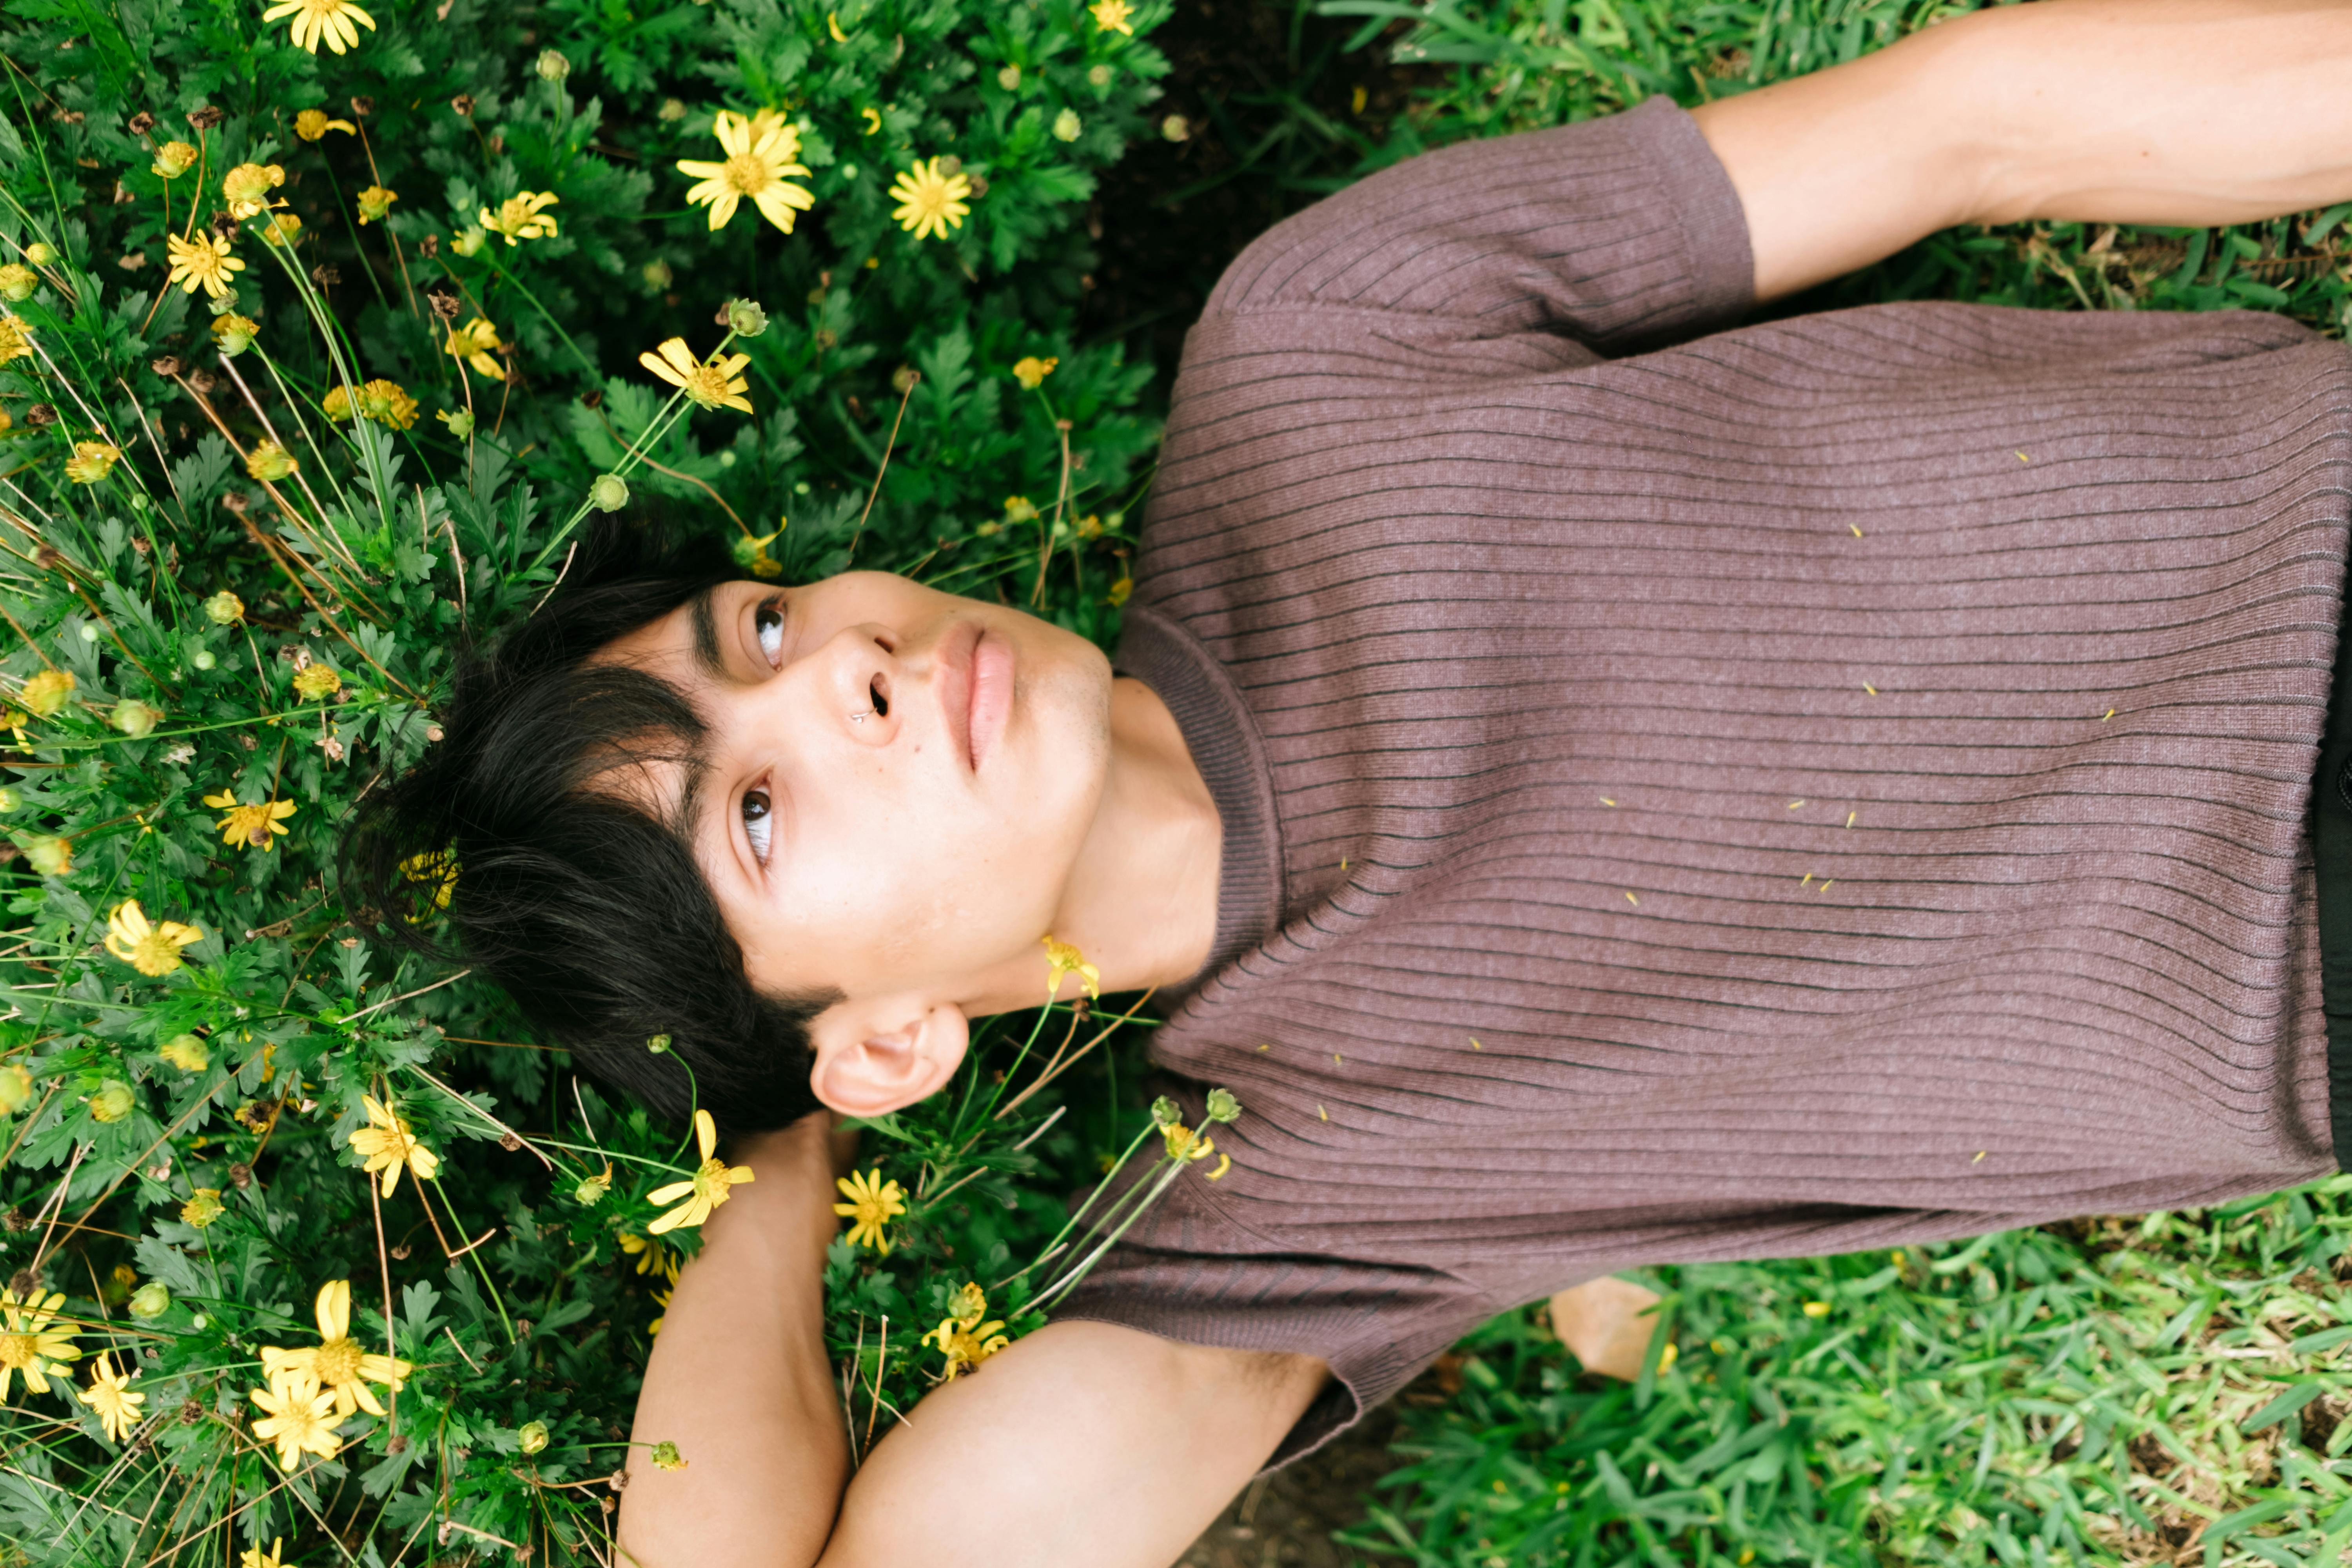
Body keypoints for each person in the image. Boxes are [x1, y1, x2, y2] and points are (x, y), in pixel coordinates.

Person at [342, 1, 2352, 1562]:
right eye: (759, 815)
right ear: (880, 1043)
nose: (844, 672)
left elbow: (1969, 122)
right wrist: (759, 1127)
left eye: (759, 629)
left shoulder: (1309, 353)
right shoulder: (1282, 1213)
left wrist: (791, 1015)